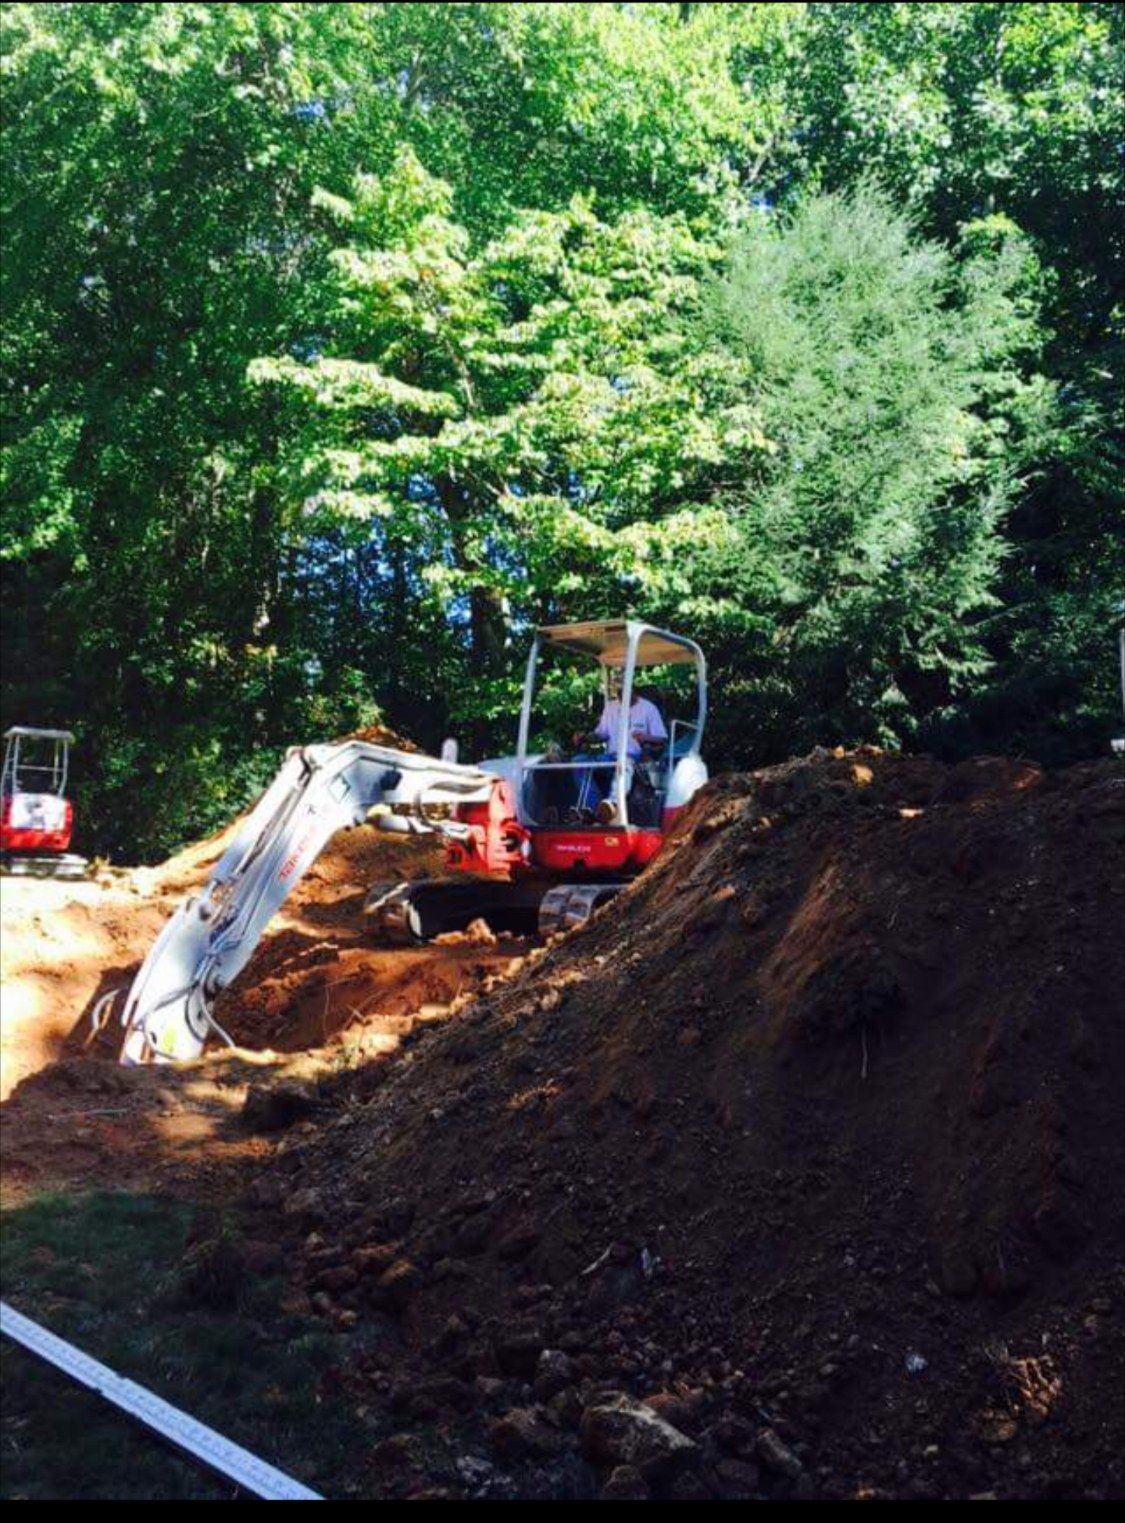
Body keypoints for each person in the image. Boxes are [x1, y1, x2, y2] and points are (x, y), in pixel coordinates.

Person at [571, 673, 667, 821]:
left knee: (624, 763)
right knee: (579, 761)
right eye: (619, 692)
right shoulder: (610, 707)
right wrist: (584, 737)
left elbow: (661, 738)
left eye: (625, 691)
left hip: (635, 758)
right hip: (609, 756)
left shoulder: (649, 708)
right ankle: (593, 809)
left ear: (634, 689)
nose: (622, 696)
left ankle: (613, 804)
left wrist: (645, 737)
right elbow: (601, 734)